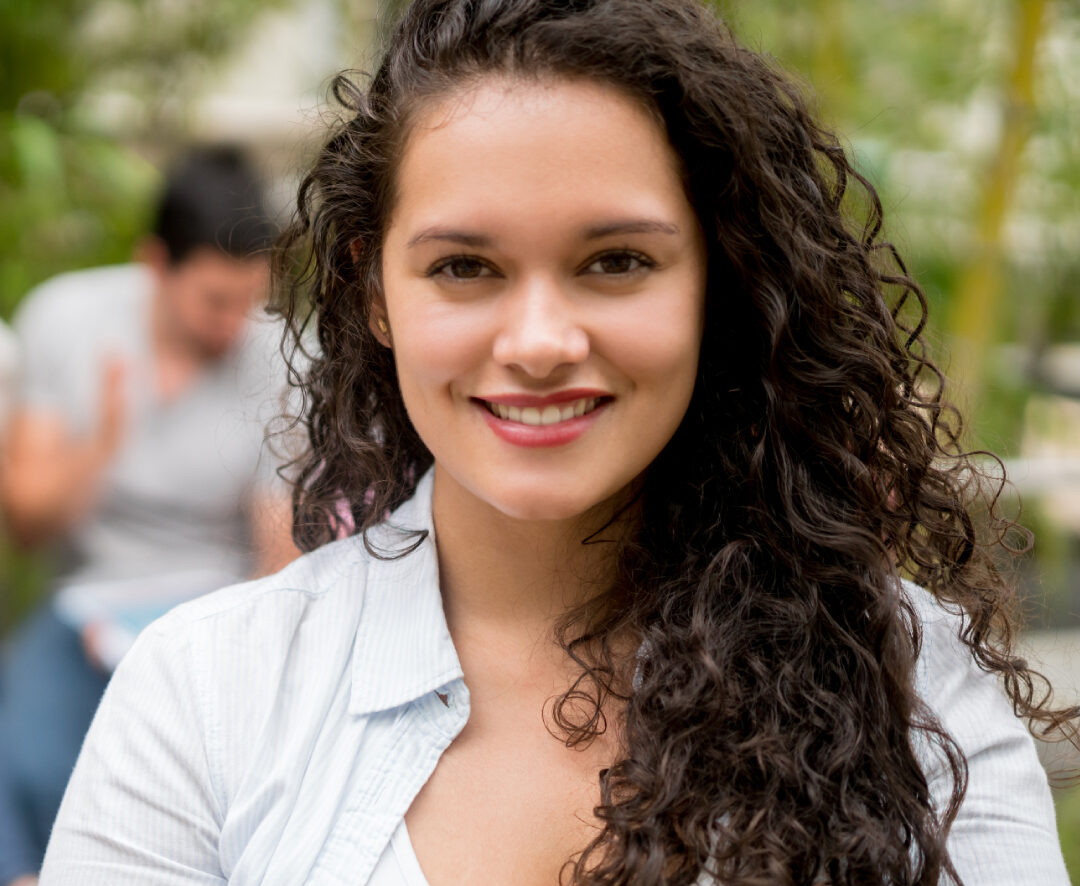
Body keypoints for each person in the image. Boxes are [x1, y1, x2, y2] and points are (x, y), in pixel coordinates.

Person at [38, 2, 1076, 884]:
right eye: (464, 268)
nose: (538, 343)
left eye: (616, 260)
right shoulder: (209, 689)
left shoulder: (906, 679)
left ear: (718, 279)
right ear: (374, 290)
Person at [0, 146, 298, 886]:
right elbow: (27, 520)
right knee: (24, 753)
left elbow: (281, 555)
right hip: (87, 610)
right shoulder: (68, 317)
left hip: (217, 609)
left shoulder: (278, 359)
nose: (234, 323)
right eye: (213, 301)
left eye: (249, 299)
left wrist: (228, 656)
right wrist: (101, 441)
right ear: (154, 266)